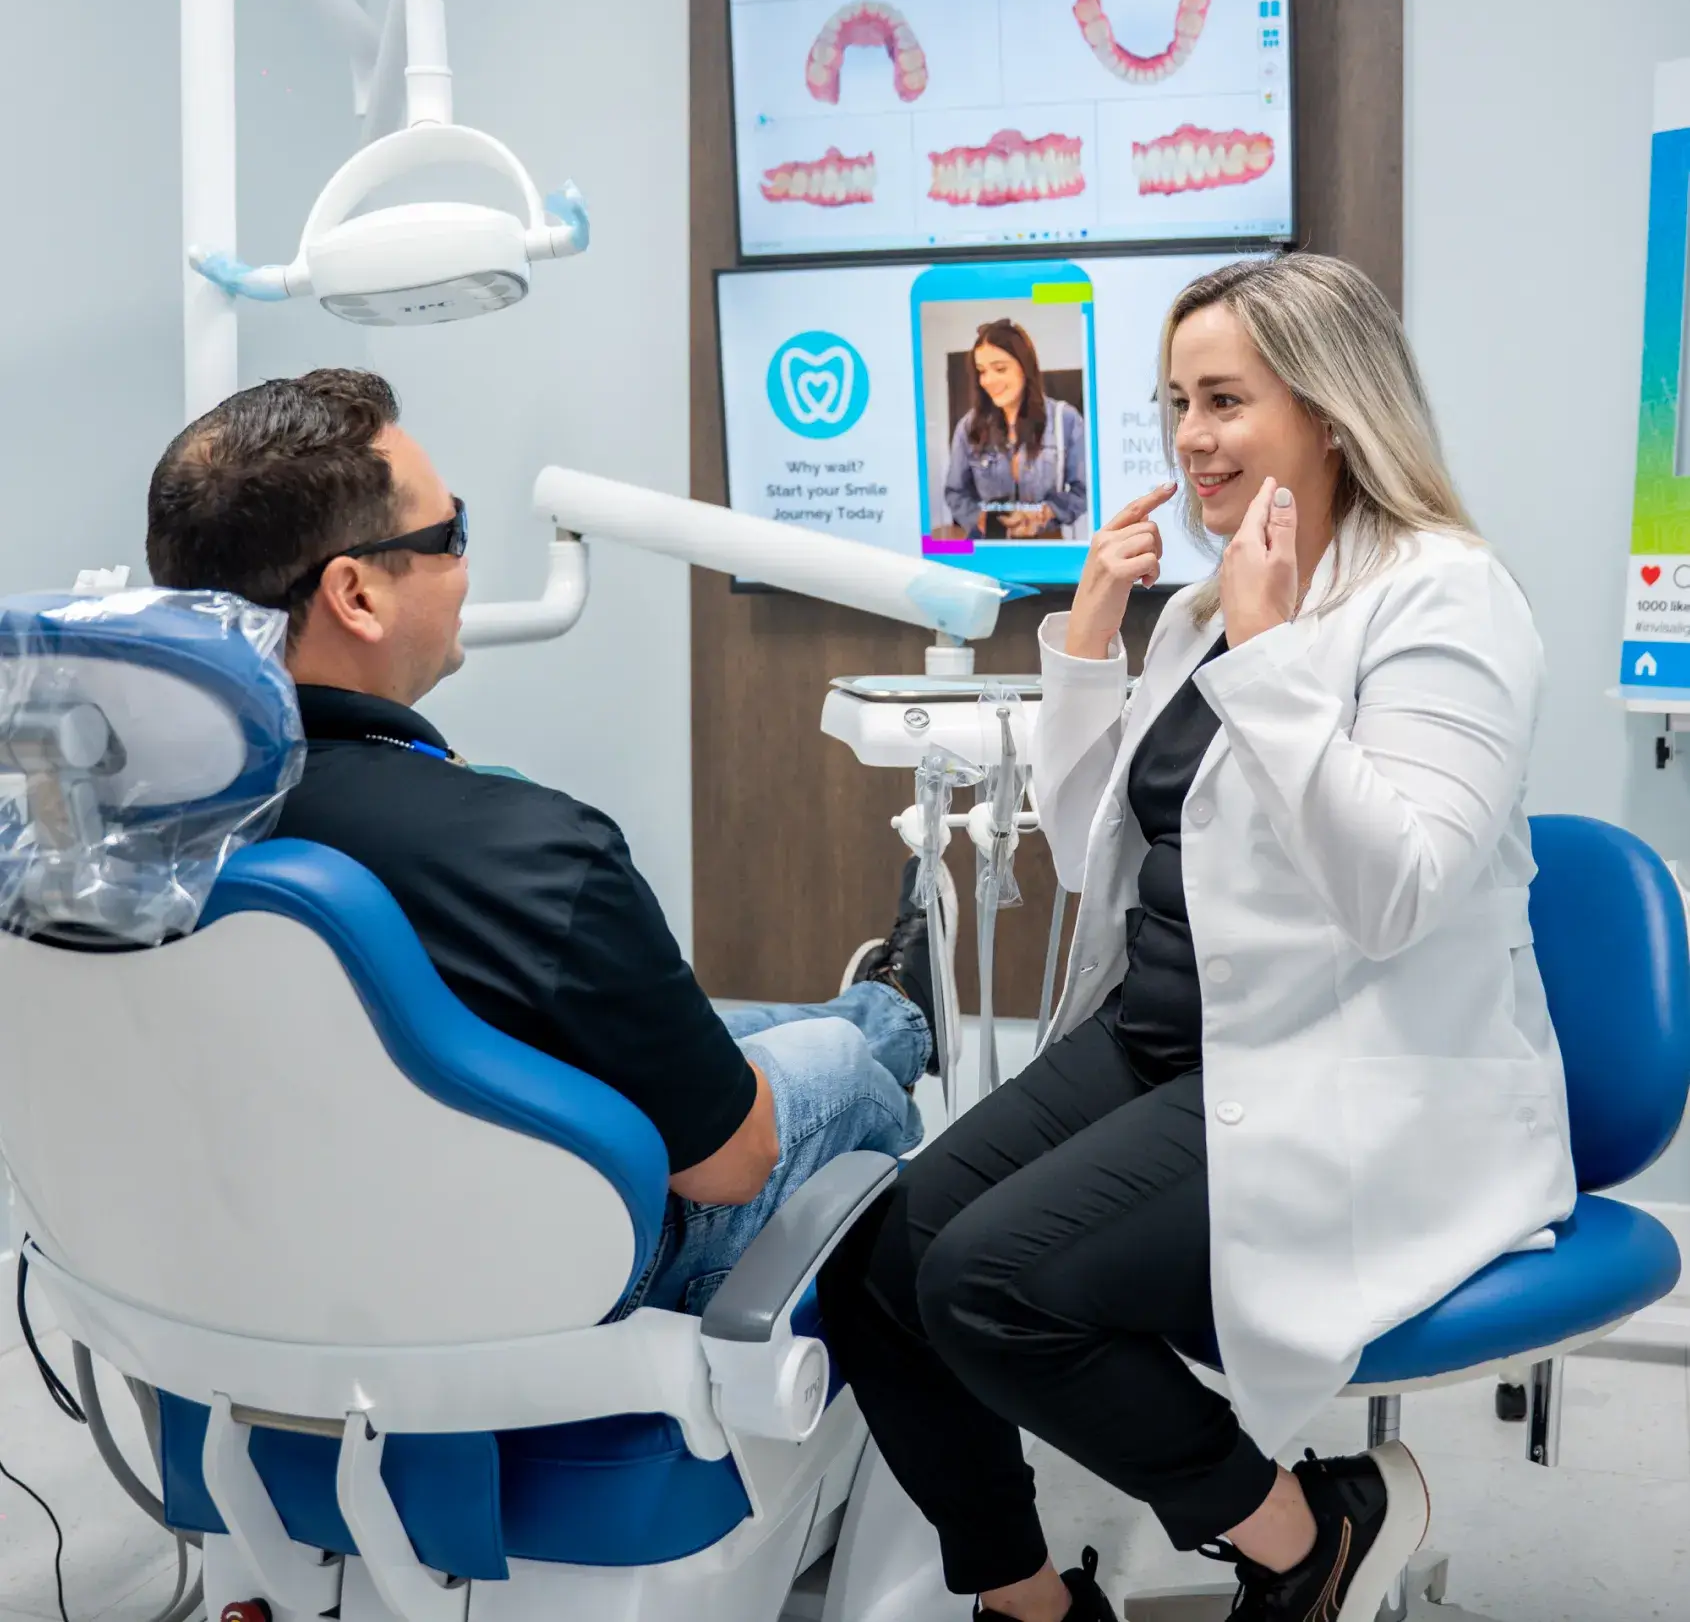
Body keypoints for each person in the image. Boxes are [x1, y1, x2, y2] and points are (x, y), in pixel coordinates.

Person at [819, 253, 1576, 1622]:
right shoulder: (1208, 605)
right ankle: (1028, 1601)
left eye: (1224, 399)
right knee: (879, 1267)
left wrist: (1275, 654)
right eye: (1176, 402)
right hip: (1165, 1038)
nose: (1189, 437)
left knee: (990, 1285)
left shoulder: (1444, 598)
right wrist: (1089, 643)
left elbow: (1394, 889)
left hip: (1350, 1073)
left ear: (1332, 410)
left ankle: (1311, 1531)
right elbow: (1093, 841)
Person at [145, 368, 947, 1319]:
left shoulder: (118, 832)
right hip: (556, 1262)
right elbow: (733, 1168)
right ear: (354, 595)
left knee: (785, 1031)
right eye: (452, 535)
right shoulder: (526, 851)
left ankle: (892, 1007)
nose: (467, 567)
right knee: (838, 1072)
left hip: (262, 1233)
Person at [943, 320, 1089, 541]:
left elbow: (1083, 490)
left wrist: (1045, 513)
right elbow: (955, 491)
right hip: (989, 549)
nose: (988, 380)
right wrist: (979, 518)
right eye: (981, 371)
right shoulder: (968, 426)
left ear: (1025, 366)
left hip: (1046, 548)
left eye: (1000, 369)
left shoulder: (1065, 419)